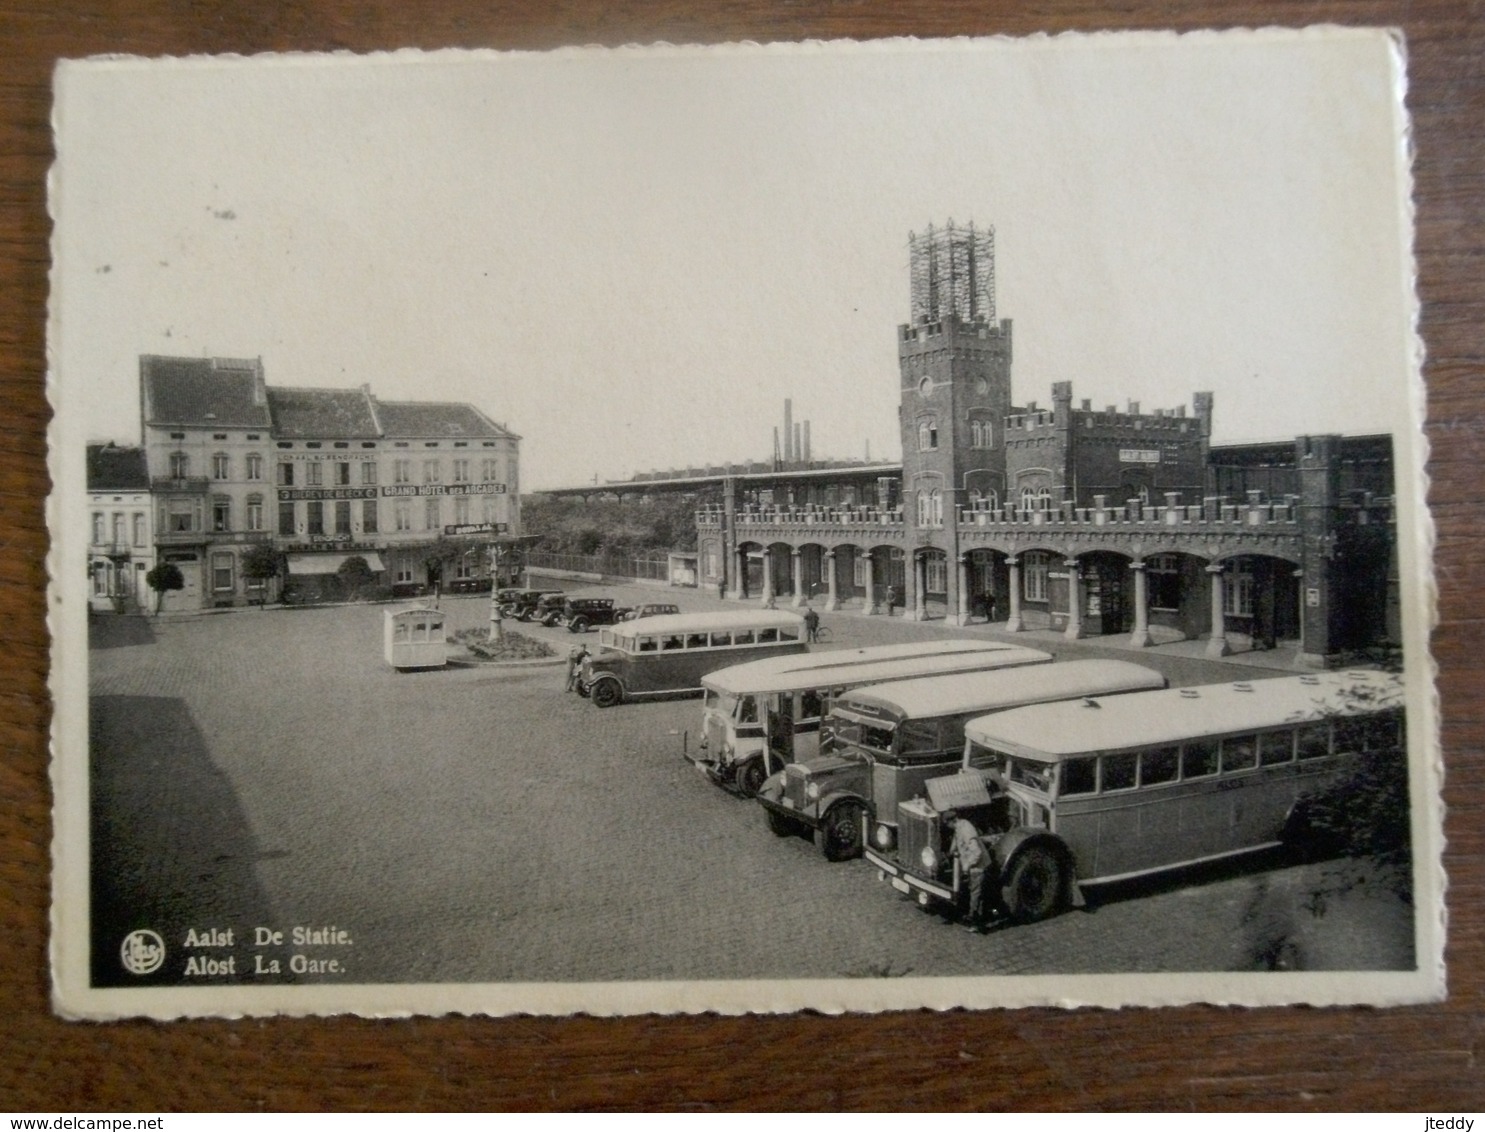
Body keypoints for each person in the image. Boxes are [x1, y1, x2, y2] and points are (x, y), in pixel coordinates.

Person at [949, 812, 991, 931]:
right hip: (972, 867)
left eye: (948, 824)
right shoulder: (960, 826)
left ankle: (976, 924)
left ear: (952, 821)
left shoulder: (966, 830)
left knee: (976, 894)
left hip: (977, 867)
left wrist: (967, 865)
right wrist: (951, 851)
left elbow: (977, 852)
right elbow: (956, 840)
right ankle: (972, 916)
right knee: (973, 892)